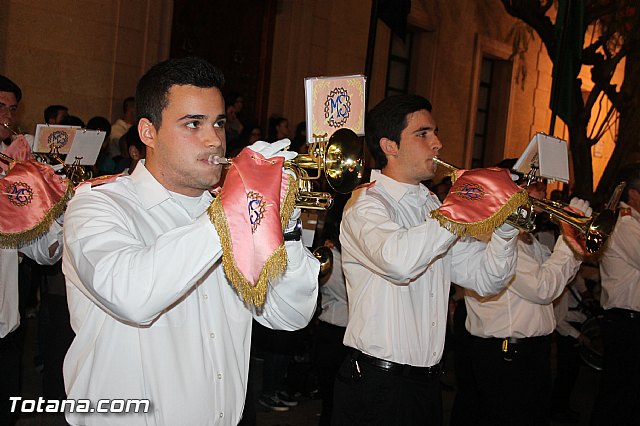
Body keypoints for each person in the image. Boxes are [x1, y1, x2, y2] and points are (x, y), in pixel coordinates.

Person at [61, 56, 319, 426]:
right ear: (148, 132)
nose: (214, 139)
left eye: (218, 123)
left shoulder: (227, 210)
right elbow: (132, 295)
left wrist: (285, 227)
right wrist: (238, 206)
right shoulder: (98, 205)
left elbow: (289, 317)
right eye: (192, 124)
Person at [331, 94, 520, 426]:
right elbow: (400, 262)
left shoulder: (432, 206)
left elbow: (487, 280)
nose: (437, 143)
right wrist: (460, 204)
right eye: (423, 134)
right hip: (379, 384)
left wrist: (505, 229)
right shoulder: (365, 204)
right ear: (389, 146)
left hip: (426, 384)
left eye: (435, 133)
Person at [462, 180, 591, 426]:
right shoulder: (496, 238)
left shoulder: (526, 237)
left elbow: (557, 276)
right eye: (532, 186)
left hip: (528, 350)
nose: (542, 192)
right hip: (509, 354)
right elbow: (543, 288)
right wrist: (569, 238)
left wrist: (572, 242)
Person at [0, 74, 64, 426]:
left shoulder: (12, 171)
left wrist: (56, 201)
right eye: (0, 107)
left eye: (12, 109)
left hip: (7, 319)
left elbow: (44, 251)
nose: (7, 117)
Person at [591, 163, 640, 426]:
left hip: (629, 320)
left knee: (627, 397)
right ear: (633, 194)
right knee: (619, 398)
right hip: (626, 321)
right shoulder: (625, 224)